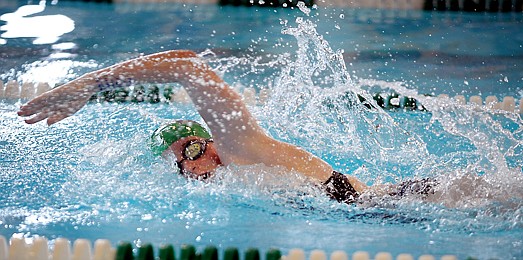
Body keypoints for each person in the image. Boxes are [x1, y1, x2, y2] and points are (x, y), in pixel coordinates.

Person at [17, 50, 436, 204]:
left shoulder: (237, 146)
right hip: (386, 206)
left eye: (194, 149)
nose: (196, 166)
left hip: (395, 204)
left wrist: (90, 84)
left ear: (208, 141)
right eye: (184, 162)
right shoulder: (235, 180)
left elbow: (187, 67)